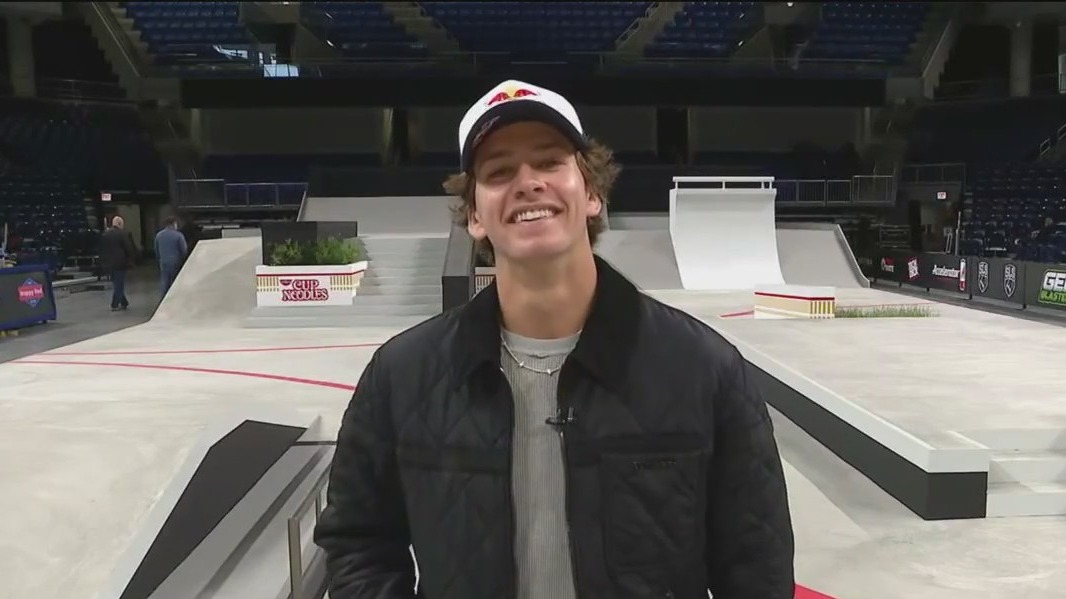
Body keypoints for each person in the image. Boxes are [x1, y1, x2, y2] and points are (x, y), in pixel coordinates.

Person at [314, 80, 795, 599]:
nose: (527, 183)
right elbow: (358, 543)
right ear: (474, 215)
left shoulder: (704, 369)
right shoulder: (401, 376)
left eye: (548, 163)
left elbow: (755, 564)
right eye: (499, 172)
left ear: (591, 194)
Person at [99, 215, 137, 311]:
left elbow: (102, 250)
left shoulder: (105, 235)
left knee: (116, 283)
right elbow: (129, 248)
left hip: (109, 263)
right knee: (119, 284)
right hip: (120, 263)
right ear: (120, 224)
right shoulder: (123, 234)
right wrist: (132, 260)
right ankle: (114, 304)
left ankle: (124, 302)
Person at [154, 215, 188, 297]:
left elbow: (156, 249)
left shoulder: (159, 235)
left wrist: (160, 258)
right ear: (173, 224)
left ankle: (164, 297)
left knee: (164, 281)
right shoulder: (178, 235)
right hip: (175, 262)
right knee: (175, 281)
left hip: (163, 262)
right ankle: (174, 297)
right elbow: (184, 250)